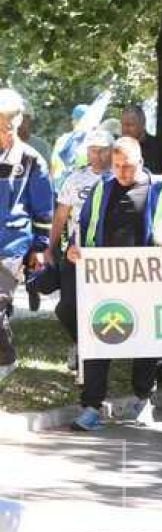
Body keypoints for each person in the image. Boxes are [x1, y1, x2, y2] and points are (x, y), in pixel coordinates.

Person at [68, 137, 162, 431]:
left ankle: (142, 399)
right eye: (117, 166)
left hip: (147, 282)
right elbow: (83, 229)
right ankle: (91, 406)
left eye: (128, 166)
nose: (122, 172)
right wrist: (72, 250)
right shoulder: (102, 188)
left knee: (145, 342)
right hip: (102, 282)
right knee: (99, 341)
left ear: (141, 162)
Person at [46, 129, 112, 363]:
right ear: (87, 152)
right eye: (94, 150)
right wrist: (50, 246)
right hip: (76, 254)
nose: (99, 156)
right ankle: (80, 342)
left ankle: (101, 349)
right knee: (67, 307)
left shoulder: (119, 177)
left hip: (108, 256)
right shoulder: (75, 179)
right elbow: (61, 216)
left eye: (104, 150)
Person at [0, 89, 53, 370]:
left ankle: (6, 359)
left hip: (12, 244)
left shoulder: (32, 160)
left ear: (16, 124)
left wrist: (40, 247)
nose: (2, 131)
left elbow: (44, 210)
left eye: (6, 126)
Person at [120, 105, 162, 173]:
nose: (125, 129)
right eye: (123, 125)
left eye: (130, 125)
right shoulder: (117, 148)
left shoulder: (158, 149)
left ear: (142, 124)